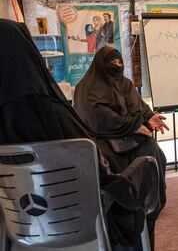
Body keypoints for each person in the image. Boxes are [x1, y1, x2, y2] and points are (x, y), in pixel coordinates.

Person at [0, 19, 155, 251]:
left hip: (22, 227)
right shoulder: (49, 110)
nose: (117, 65)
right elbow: (89, 159)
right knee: (147, 164)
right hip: (82, 217)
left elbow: (136, 108)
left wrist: (140, 120)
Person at [74, 46, 169, 250]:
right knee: (119, 191)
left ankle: (149, 210)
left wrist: (148, 117)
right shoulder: (86, 88)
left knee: (155, 156)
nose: (117, 66)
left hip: (134, 141)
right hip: (103, 144)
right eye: (113, 63)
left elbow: (139, 109)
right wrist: (132, 125)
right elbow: (96, 116)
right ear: (100, 64)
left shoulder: (124, 83)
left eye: (120, 63)